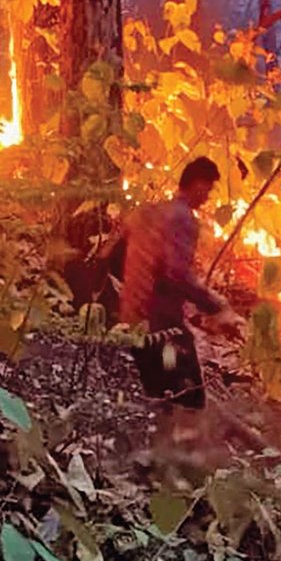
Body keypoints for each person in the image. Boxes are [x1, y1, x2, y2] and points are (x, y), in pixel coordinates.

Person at [119, 157, 240, 409]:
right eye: (208, 188)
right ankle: (182, 443)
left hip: (132, 320)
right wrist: (216, 305)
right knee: (189, 397)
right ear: (197, 184)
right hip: (162, 328)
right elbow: (177, 273)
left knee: (157, 395)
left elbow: (116, 257)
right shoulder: (182, 218)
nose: (207, 196)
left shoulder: (148, 212)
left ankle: (157, 442)